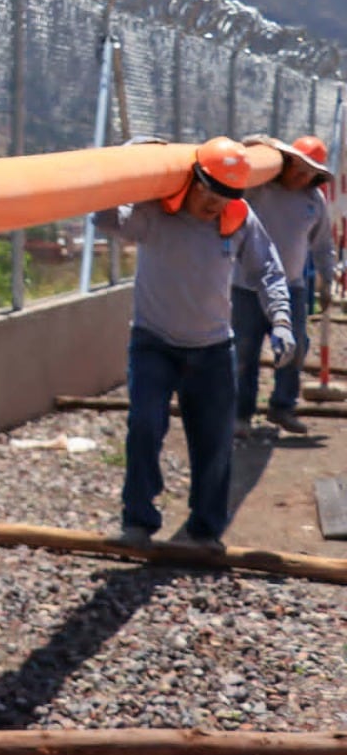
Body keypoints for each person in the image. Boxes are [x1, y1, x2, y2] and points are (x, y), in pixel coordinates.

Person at [95, 136, 293, 551]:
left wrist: (281, 320)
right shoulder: (154, 212)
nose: (216, 204)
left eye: (227, 195)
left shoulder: (237, 218)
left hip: (213, 349)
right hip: (154, 342)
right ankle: (139, 520)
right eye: (211, 192)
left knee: (216, 440)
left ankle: (205, 529)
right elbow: (106, 218)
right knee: (144, 425)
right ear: (194, 179)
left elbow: (269, 271)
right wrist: (126, 158)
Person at [233, 135, 336, 437]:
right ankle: (241, 414)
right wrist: (254, 144)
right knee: (244, 351)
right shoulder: (259, 190)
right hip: (247, 286)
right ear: (285, 163)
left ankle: (282, 407)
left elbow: (322, 244)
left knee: (296, 347)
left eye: (309, 172)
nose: (301, 176)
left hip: (292, 287)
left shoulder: (313, 201)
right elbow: (238, 170)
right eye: (297, 168)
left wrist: (326, 281)